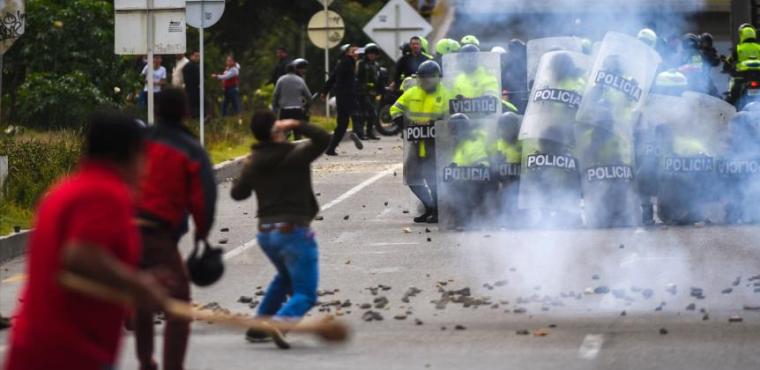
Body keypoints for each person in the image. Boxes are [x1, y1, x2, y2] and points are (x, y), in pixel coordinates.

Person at [4, 111, 168, 370]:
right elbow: (80, 254)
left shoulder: (65, 190)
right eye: (143, 155)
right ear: (127, 153)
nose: (146, 167)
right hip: (71, 353)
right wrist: (140, 285)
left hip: (40, 347)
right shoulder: (105, 193)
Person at [230, 112, 330, 348]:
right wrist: (297, 123)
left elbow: (238, 194)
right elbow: (323, 138)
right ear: (276, 131)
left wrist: (244, 169)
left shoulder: (253, 161)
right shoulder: (294, 155)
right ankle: (281, 321)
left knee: (285, 277)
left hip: (266, 234)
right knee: (305, 292)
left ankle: (258, 327)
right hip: (293, 231)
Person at [134, 88, 217, 370]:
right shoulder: (190, 149)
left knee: (142, 296)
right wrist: (202, 234)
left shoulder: (139, 141)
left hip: (123, 230)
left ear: (156, 111)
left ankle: (146, 360)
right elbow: (203, 197)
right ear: (186, 112)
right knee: (178, 305)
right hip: (157, 234)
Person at [390, 60, 449, 223]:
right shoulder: (412, 93)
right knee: (412, 178)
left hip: (435, 144)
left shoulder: (445, 94)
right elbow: (395, 109)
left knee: (434, 178)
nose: (424, 82)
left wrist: (436, 122)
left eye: (428, 78)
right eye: (421, 78)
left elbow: (451, 115)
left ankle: (438, 210)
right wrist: (402, 122)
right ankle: (429, 206)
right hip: (416, 143)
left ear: (437, 78)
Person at [321, 44, 364, 155]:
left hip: (341, 96)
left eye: (357, 50)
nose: (356, 52)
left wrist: (324, 91)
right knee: (357, 114)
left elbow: (332, 78)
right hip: (348, 95)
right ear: (347, 53)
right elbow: (337, 78)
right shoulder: (347, 62)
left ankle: (331, 148)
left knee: (342, 124)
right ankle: (358, 134)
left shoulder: (343, 63)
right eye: (353, 51)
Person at [272, 58, 312, 140]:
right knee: (297, 133)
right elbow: (309, 96)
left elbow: (275, 95)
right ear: (295, 70)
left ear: (286, 70)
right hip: (297, 111)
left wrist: (275, 108)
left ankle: (284, 150)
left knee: (284, 132)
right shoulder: (300, 80)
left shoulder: (281, 80)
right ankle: (298, 150)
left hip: (284, 111)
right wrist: (307, 107)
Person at [725, 24, 760, 105]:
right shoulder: (759, 47)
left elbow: (729, 61)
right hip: (758, 76)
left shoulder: (739, 48)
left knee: (732, 97)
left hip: (743, 77)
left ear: (742, 35)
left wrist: (727, 67)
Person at [356, 43, 382, 140]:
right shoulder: (361, 64)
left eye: (374, 54)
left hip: (373, 93)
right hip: (363, 93)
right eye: (370, 53)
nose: (372, 55)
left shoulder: (376, 65)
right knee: (365, 113)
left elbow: (378, 79)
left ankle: (369, 132)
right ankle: (361, 133)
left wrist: (381, 90)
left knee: (372, 113)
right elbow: (357, 78)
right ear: (366, 54)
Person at [504, 39, 528, 113]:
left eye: (517, 50)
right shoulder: (508, 67)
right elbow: (503, 85)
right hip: (512, 103)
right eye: (513, 50)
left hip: (527, 101)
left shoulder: (528, 63)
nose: (515, 53)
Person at [183, 51, 201, 119]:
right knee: (192, 106)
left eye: (198, 56)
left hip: (194, 89)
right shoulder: (190, 66)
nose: (197, 58)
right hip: (192, 89)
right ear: (191, 56)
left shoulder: (196, 65)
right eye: (196, 56)